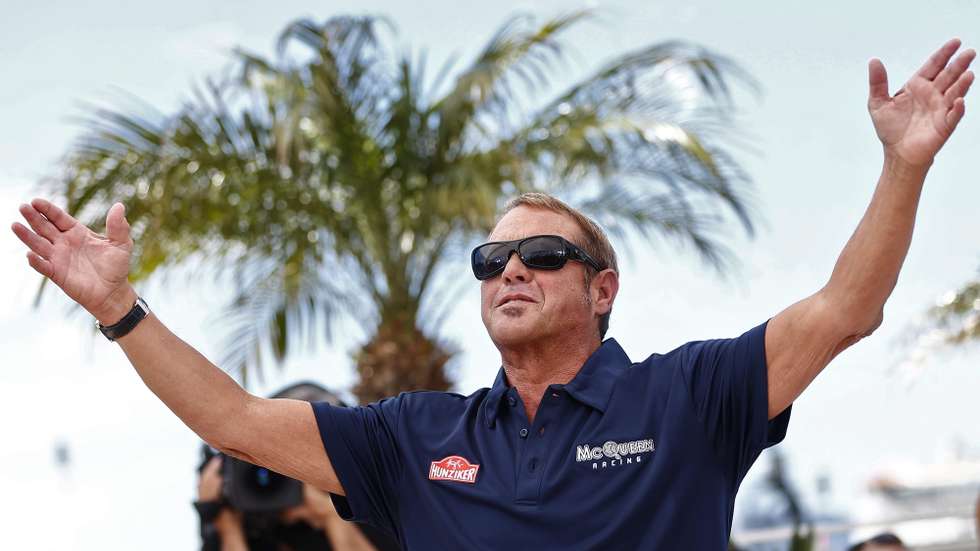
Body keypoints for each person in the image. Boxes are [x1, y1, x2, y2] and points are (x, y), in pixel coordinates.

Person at [10, 39, 974, 548]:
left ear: (603, 289)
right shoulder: (413, 439)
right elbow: (229, 415)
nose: (508, 270)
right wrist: (118, 310)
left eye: (542, 253)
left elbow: (847, 307)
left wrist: (903, 169)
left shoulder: (692, 397)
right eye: (489, 259)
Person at [193, 382, 400, 551]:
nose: (287, 472)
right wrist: (226, 525)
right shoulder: (244, 527)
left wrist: (330, 516)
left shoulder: (377, 508)